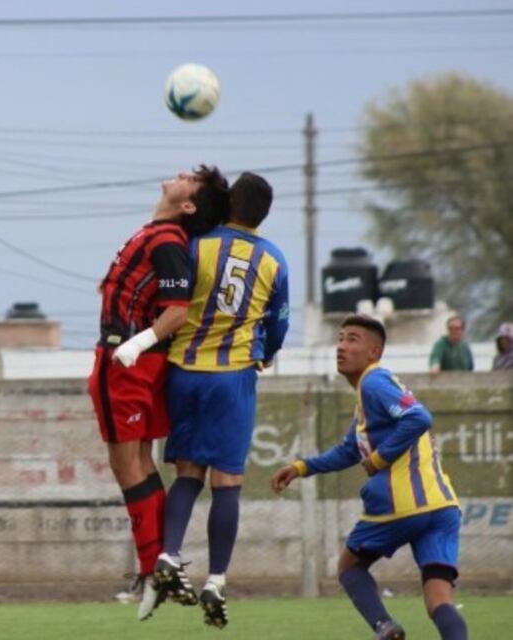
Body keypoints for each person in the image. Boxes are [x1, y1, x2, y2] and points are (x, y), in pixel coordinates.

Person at [87, 166, 229, 621]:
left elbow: (176, 312)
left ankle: (154, 569)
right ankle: (161, 565)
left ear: (187, 205)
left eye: (192, 179)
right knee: (141, 463)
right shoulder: (160, 234)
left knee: (125, 464)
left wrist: (133, 345)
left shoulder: (167, 239)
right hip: (140, 363)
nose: (182, 173)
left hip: (126, 361)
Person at [271, 315, 466, 640]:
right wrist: (302, 467)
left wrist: (380, 458)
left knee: (349, 567)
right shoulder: (369, 396)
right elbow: (349, 450)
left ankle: (385, 628)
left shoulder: (374, 381)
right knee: (439, 600)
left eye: (352, 339)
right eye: (340, 338)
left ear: (374, 351)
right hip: (441, 506)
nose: (341, 346)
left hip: (402, 503)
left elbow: (419, 417)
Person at [158, 171, 289, 629]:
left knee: (187, 472)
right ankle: (216, 579)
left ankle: (169, 554)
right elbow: (279, 323)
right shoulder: (273, 259)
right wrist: (267, 353)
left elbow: (173, 296)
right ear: (263, 215)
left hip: (183, 370)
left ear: (230, 203)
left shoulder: (197, 244)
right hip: (232, 376)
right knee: (227, 479)